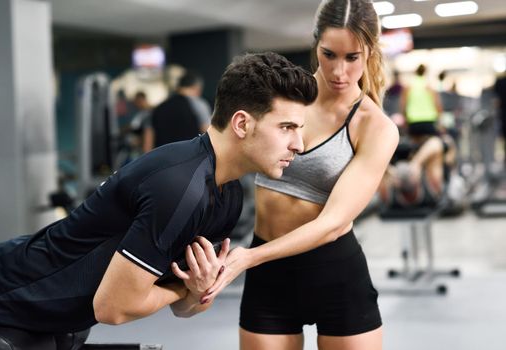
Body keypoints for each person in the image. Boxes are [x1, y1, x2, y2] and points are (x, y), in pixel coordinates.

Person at [0, 52, 318, 349]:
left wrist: (195, 290)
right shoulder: (178, 187)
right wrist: (184, 291)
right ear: (242, 123)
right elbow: (113, 307)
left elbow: (190, 307)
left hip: (48, 315)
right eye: (287, 127)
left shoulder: (227, 196)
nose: (299, 144)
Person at [197, 1, 399, 349]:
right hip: (269, 279)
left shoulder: (375, 126)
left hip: (334, 273)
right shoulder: (280, 97)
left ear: (370, 53)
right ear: (315, 43)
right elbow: (222, 146)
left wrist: (248, 258)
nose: (339, 71)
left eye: (353, 57)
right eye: (329, 54)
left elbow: (334, 222)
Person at [143, 69, 212, 152]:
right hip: (190, 159)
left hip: (164, 160)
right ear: (197, 88)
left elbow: (147, 144)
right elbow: (208, 135)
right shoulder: (199, 105)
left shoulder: (158, 108)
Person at [401, 64, 443, 137]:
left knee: (415, 145)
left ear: (415, 72)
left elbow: (403, 104)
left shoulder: (409, 86)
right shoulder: (429, 86)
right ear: (425, 72)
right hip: (429, 120)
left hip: (413, 121)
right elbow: (437, 104)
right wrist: (439, 118)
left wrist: (405, 118)